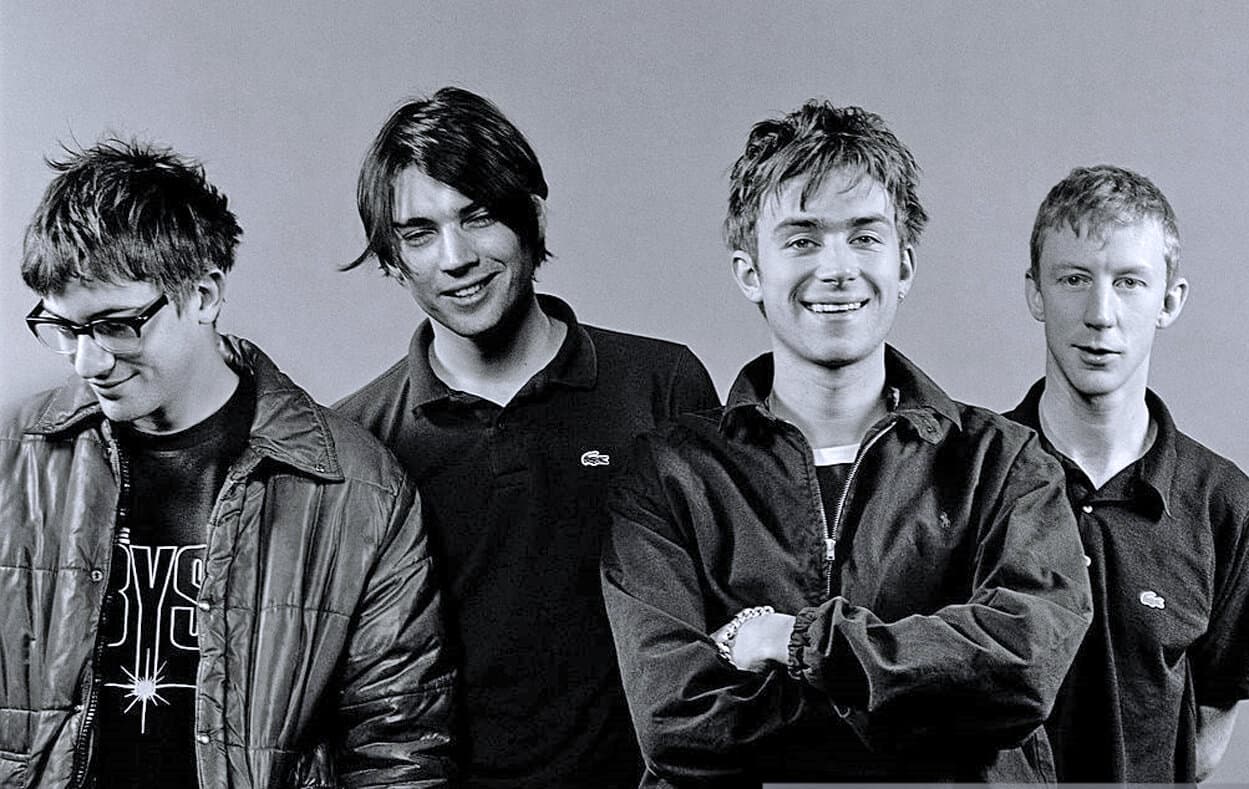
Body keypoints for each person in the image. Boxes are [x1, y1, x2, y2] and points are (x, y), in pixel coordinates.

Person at [601, 100, 1093, 786]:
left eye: (863, 236)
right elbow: (678, 722)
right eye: (801, 239)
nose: (836, 268)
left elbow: (1022, 669)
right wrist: (934, 698)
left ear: (904, 265)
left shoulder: (1003, 463)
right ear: (749, 272)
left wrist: (789, 641)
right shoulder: (670, 473)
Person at [0, 140, 455, 788]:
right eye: (66, 328)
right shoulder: (14, 459)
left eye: (118, 325)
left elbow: (399, 748)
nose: (88, 362)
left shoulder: (355, 490)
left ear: (205, 293)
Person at [336, 86, 719, 789]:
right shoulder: (359, 440)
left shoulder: (660, 382)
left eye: (477, 217)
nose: (455, 257)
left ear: (529, 218)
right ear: (391, 260)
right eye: (418, 233)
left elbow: (723, 619)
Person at [1005, 164, 1249, 782]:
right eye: (1074, 279)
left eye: (1129, 282)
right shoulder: (974, 475)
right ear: (1035, 292)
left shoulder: (1224, 505)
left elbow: (1208, 727)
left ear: (1170, 300)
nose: (1100, 313)